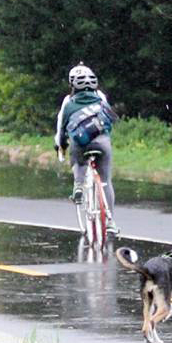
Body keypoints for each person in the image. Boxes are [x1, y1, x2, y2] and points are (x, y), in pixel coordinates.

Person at [55, 64, 118, 226]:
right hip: (102, 142)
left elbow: (61, 129)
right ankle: (110, 223)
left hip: (80, 143)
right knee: (105, 180)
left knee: (78, 161)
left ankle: (78, 185)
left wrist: (60, 146)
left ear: (72, 84)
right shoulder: (101, 98)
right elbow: (110, 121)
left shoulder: (68, 102)